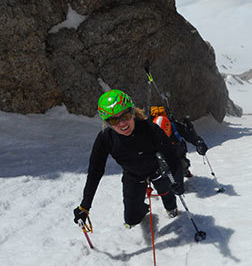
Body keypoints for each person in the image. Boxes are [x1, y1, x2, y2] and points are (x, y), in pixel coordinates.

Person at [73, 89, 184, 229]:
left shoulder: (150, 129)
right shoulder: (105, 138)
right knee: (131, 220)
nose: (122, 124)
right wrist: (85, 206)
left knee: (168, 194)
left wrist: (177, 180)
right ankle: (142, 209)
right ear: (107, 122)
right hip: (133, 176)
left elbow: (172, 156)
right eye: (114, 120)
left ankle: (170, 206)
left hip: (157, 170)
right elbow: (95, 172)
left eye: (125, 115)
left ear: (132, 112)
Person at [151, 106, 208, 177]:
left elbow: (189, 135)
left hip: (177, 156)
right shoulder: (149, 132)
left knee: (179, 168)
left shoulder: (175, 127)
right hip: (159, 161)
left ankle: (183, 170)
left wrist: (199, 143)